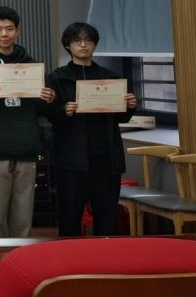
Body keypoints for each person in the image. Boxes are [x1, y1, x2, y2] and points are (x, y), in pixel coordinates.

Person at [0, 6, 57, 238]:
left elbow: (46, 110)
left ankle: (20, 252)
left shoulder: (32, 66)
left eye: (9, 29)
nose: (4, 34)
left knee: (23, 213)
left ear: (18, 31)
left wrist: (48, 99)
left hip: (27, 147)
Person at [49, 22, 138, 237]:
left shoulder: (111, 77)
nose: (83, 45)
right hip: (71, 158)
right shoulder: (57, 77)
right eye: (77, 40)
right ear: (67, 45)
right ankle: (69, 256)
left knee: (106, 214)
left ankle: (105, 255)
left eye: (88, 40)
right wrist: (63, 110)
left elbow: (121, 117)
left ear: (95, 45)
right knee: (69, 214)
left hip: (106, 157)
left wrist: (130, 106)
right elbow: (48, 114)